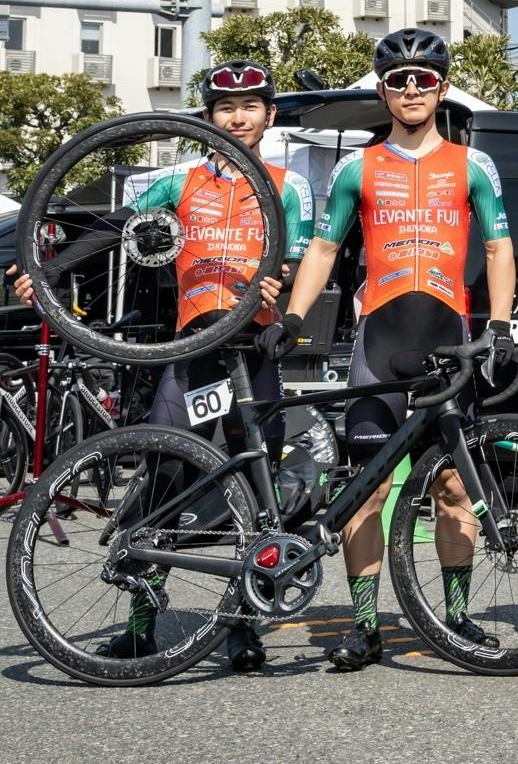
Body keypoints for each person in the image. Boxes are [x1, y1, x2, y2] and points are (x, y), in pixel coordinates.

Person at [11, 60, 315, 671]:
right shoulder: (180, 184)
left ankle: (241, 627)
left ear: (270, 116)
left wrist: (287, 317)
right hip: (190, 350)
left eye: (252, 106)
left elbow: (303, 258)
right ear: (208, 119)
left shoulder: (287, 184)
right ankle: (142, 624)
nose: (238, 116)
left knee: (257, 497)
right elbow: (114, 230)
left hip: (252, 352)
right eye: (226, 108)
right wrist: (46, 273)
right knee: (161, 486)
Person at [257, 28, 516, 672]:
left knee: (456, 488)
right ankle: (366, 626)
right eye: (398, 81)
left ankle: (455, 620)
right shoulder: (358, 167)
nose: (411, 90)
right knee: (367, 490)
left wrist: (503, 324)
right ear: (383, 92)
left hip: (447, 343)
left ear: (442, 88)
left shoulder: (472, 165)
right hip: (380, 343)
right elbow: (322, 249)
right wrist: (292, 317)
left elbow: (496, 248)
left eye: (423, 80)